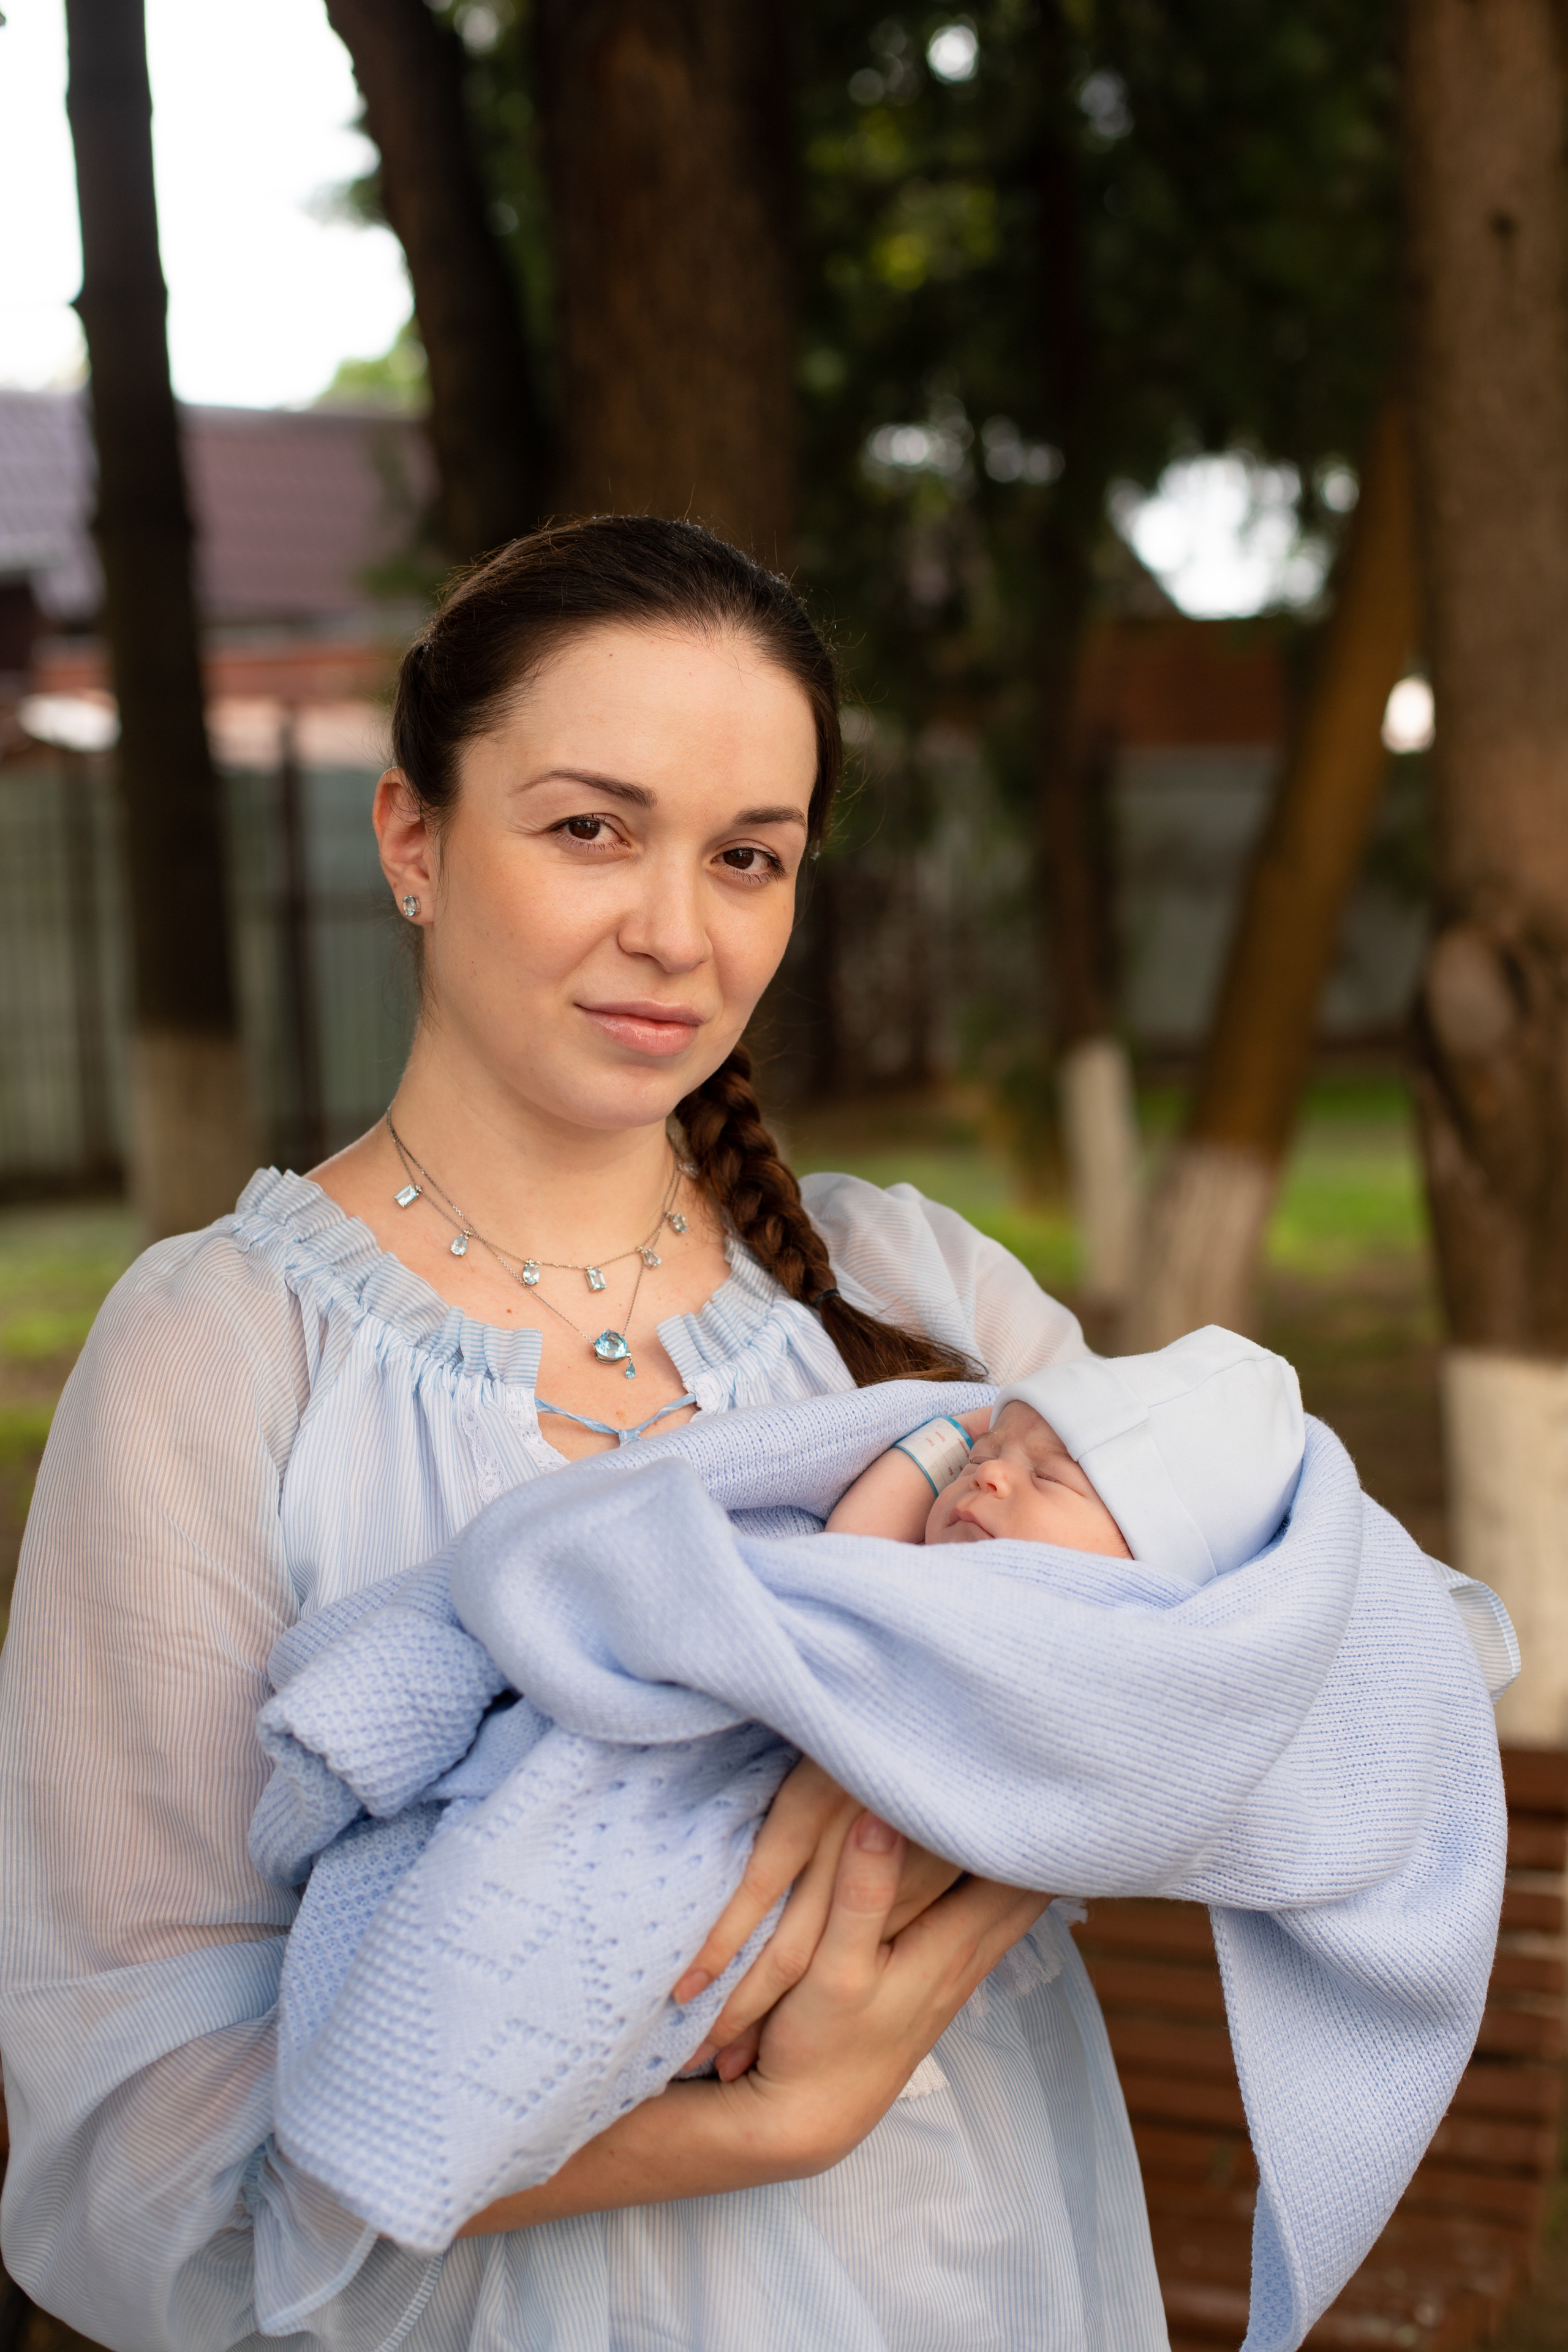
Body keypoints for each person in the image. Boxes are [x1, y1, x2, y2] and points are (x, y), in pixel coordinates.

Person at [0, 518, 1168, 2351]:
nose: (675, 932)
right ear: (412, 837)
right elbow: (138, 2149)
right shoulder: (216, 1355)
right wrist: (770, 2113)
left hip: (967, 2276)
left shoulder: (907, 1285)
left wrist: (925, 1822)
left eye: (747, 856)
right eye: (588, 828)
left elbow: (1258, 1651)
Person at [824, 1324, 1305, 1567]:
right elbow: (842, 1561)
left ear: (1147, 1555)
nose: (989, 1475)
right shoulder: (921, 1576)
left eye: (1047, 1476)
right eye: (977, 1458)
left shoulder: (1135, 1628)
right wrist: (964, 1428)